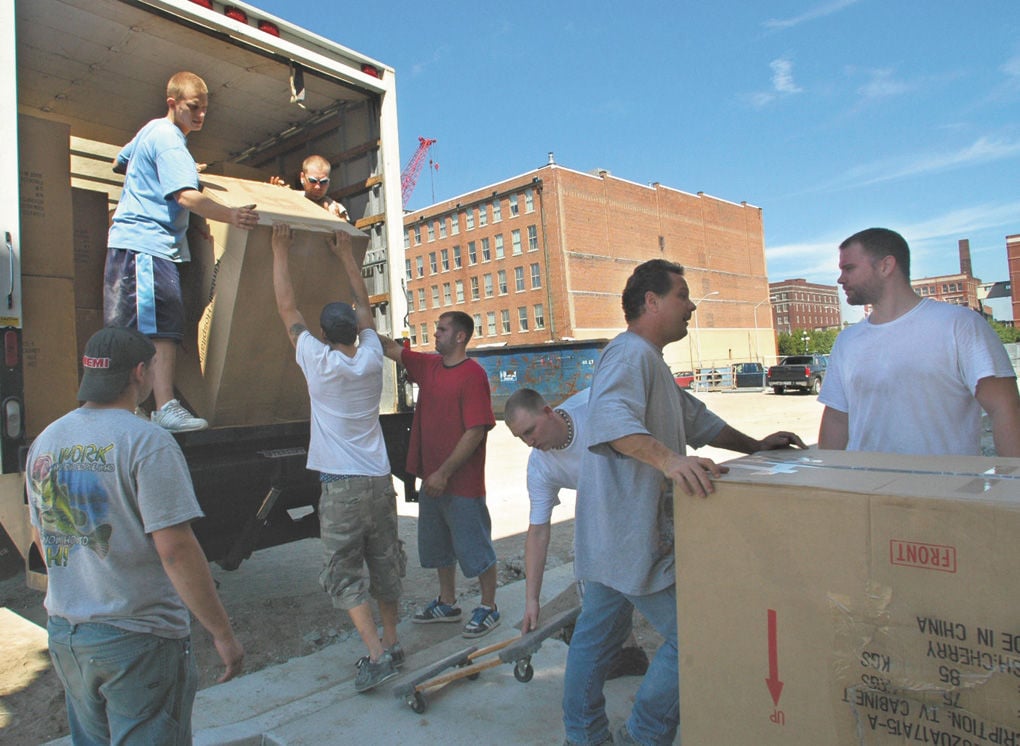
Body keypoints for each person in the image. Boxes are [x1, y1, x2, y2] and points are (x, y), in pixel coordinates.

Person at [563, 259, 806, 746]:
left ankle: (584, 736)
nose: (692, 305)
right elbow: (609, 422)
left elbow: (701, 420)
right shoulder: (629, 354)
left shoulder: (649, 360)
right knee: (698, 630)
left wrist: (755, 446)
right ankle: (643, 735)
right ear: (651, 302)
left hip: (614, 538)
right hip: (629, 536)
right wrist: (670, 461)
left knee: (594, 644)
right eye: (682, 295)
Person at [26, 327, 244, 744]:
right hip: (138, 640)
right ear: (140, 373)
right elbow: (177, 551)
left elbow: (42, 532)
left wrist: (75, 588)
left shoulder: (46, 441)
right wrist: (223, 634)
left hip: (69, 635)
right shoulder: (147, 442)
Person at [271, 223, 404, 693]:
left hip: (341, 488)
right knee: (385, 562)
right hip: (377, 480)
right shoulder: (370, 358)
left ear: (323, 333)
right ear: (354, 331)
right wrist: (347, 255)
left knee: (344, 572)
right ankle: (391, 638)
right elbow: (365, 307)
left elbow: (287, 308)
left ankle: (375, 653)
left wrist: (278, 249)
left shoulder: (316, 360)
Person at [105, 71, 259, 433]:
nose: (201, 116)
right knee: (162, 329)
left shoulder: (152, 130)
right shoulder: (170, 141)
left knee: (146, 328)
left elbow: (120, 161)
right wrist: (231, 215)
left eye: (205, 109)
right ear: (172, 103)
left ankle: (131, 407)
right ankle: (163, 408)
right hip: (147, 244)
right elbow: (185, 196)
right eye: (194, 108)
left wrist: (169, 168)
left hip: (143, 245)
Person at [818, 227, 1020, 457]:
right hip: (865, 488)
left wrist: (1013, 483)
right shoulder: (847, 341)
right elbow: (836, 418)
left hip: (944, 488)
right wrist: (825, 480)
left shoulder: (959, 325)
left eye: (849, 268)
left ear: (885, 266)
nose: (840, 278)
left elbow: (1005, 408)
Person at [504, 387, 649, 679]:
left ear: (548, 412)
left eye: (531, 431)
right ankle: (627, 651)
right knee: (586, 561)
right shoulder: (540, 465)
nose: (530, 443)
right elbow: (538, 532)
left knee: (646, 578)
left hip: (641, 482)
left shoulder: (594, 411)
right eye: (521, 437)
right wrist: (532, 600)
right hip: (602, 498)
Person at [379, 312, 500, 638]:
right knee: (438, 546)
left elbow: (475, 431)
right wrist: (360, 328)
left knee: (476, 547)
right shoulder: (429, 367)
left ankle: (489, 606)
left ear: (460, 337)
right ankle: (448, 602)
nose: (436, 334)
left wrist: (444, 473)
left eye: (442, 330)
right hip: (432, 481)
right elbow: (392, 349)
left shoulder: (473, 376)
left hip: (461, 483)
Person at [270, 154, 350, 221]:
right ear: (302, 177)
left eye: (323, 182)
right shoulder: (291, 198)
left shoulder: (336, 209)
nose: (318, 187)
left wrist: (334, 222)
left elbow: (347, 235)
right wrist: (275, 195)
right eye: (313, 180)